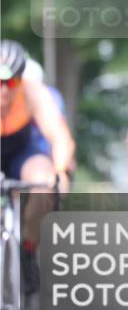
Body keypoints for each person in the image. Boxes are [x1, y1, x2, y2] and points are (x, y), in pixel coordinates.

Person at [0, 40, 75, 295]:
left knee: (44, 186)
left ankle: (28, 250)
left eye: (11, 82)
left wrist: (61, 171)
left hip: (24, 151)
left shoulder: (33, 92)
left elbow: (60, 137)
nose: (4, 91)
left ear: (21, 79)